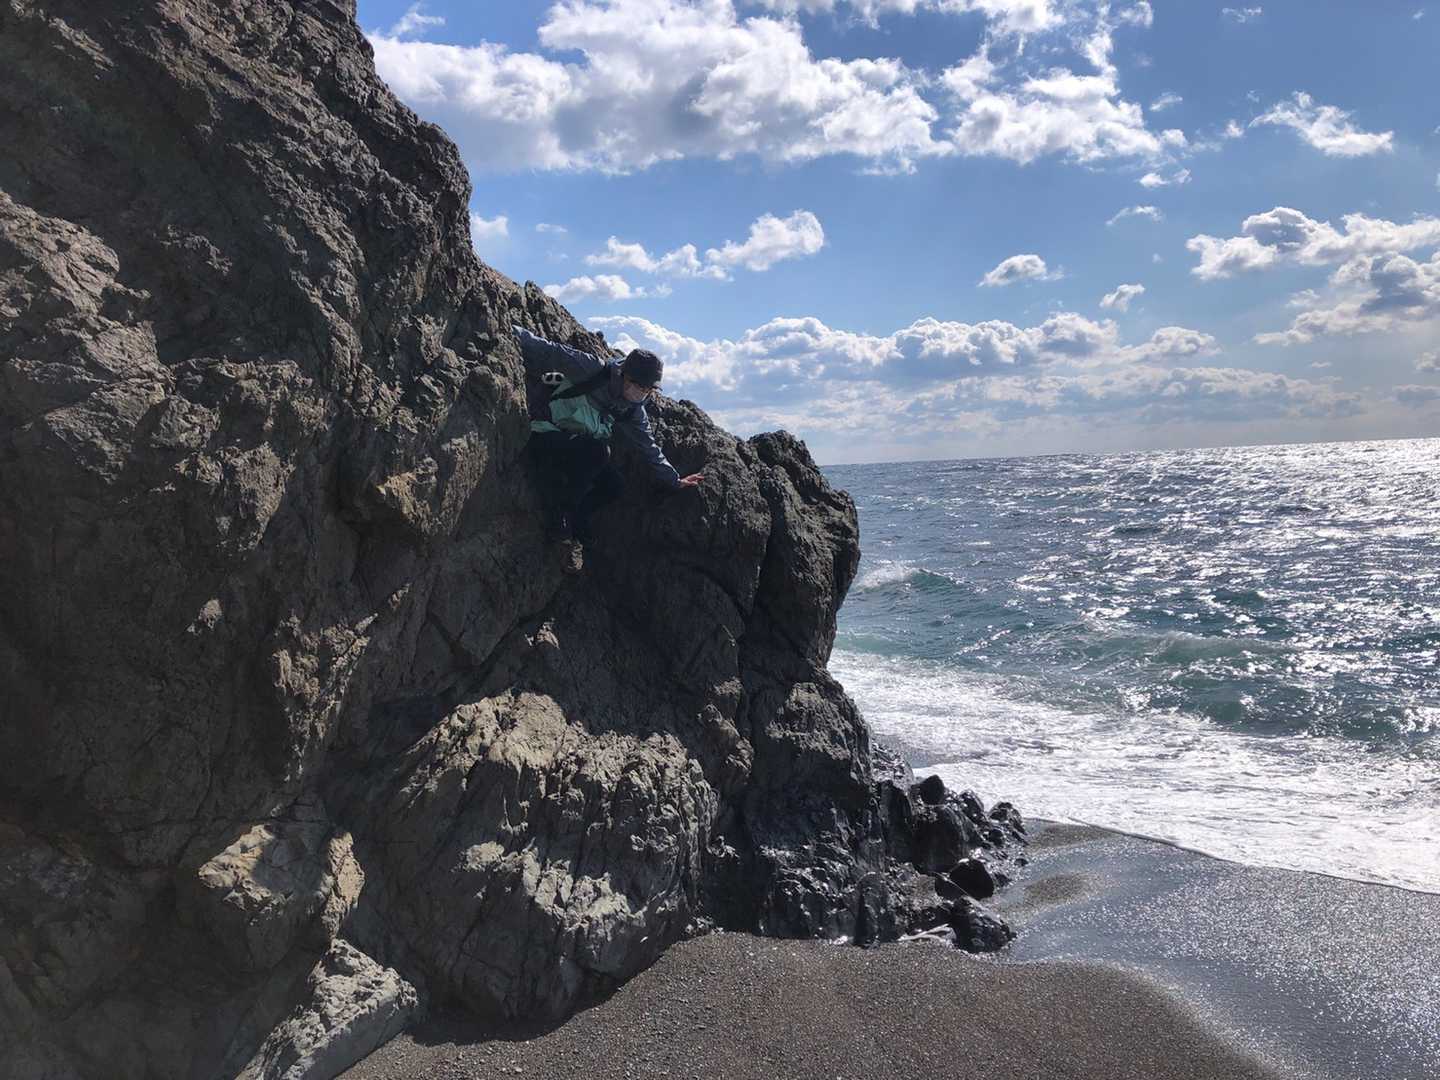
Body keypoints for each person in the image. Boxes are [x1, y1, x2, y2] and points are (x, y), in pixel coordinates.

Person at [514, 326, 703, 545]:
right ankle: (561, 514)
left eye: (647, 389)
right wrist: (509, 329)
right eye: (637, 385)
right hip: (545, 435)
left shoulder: (633, 409)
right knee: (599, 451)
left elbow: (648, 446)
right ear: (624, 375)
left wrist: (674, 480)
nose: (641, 392)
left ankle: (578, 521)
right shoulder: (593, 370)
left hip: (575, 449)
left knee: (614, 485)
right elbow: (550, 350)